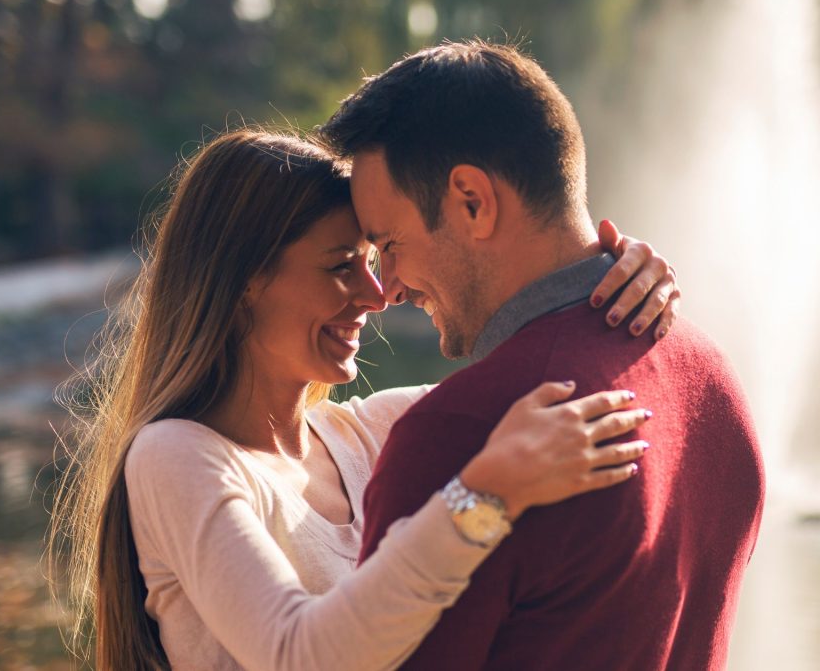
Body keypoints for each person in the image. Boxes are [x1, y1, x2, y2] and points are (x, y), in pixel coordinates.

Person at [51, 130, 679, 671]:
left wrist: (614, 280)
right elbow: (302, 654)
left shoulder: (381, 429)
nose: (377, 295)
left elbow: (541, 374)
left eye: (375, 261)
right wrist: (487, 497)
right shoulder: (175, 457)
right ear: (244, 281)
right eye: (340, 267)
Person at [319, 39, 766, 670]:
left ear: (472, 202)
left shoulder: (463, 437)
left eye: (389, 244)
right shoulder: (715, 380)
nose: (386, 287)